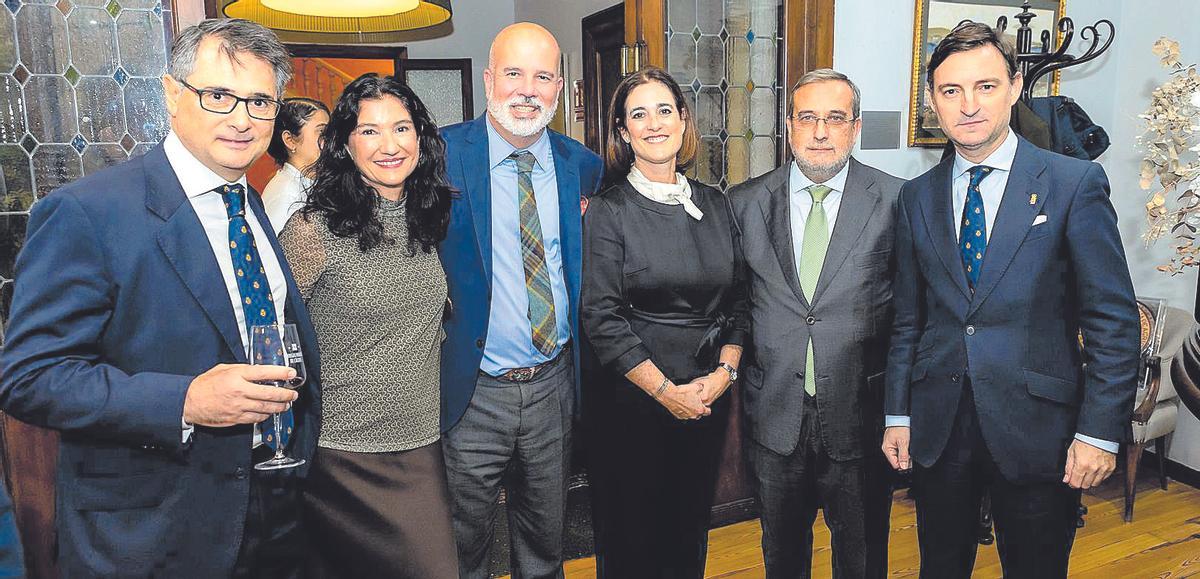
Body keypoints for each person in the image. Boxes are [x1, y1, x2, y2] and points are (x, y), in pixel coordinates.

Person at [0, 18, 321, 577]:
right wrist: (185, 401)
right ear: (173, 94)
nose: (242, 119)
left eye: (260, 102)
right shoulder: (89, 213)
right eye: (219, 95)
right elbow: (30, 377)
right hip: (151, 533)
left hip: (274, 508)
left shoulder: (248, 204)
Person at [881, 22, 1139, 578]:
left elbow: (1112, 322)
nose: (968, 105)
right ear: (932, 101)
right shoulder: (916, 197)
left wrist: (1097, 433)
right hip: (939, 431)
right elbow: (908, 320)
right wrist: (898, 413)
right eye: (951, 91)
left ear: (1016, 87)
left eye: (986, 86)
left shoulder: (1073, 184)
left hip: (1039, 433)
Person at [438, 22, 604, 578]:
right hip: (471, 390)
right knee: (465, 544)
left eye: (542, 76)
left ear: (560, 88)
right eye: (513, 74)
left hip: (553, 386)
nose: (527, 89)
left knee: (545, 542)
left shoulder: (581, 164)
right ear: (489, 80)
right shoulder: (439, 156)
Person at [726, 69, 903, 579]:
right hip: (775, 416)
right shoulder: (745, 203)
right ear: (788, 126)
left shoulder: (895, 201)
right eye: (807, 118)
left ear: (856, 127)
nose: (820, 132)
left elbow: (911, 316)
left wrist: (901, 415)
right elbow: (736, 304)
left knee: (864, 554)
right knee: (782, 555)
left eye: (834, 118)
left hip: (860, 415)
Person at [280, 73, 458, 578]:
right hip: (341, 453)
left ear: (421, 140)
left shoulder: (428, 216)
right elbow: (274, 334)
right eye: (370, 130)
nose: (389, 145)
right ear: (345, 143)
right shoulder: (313, 228)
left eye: (402, 128)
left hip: (419, 442)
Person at [581, 66, 748, 578]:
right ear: (623, 132)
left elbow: (741, 302)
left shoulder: (717, 203)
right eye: (638, 114)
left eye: (663, 110)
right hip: (633, 404)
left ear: (682, 122)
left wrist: (722, 377)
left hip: (705, 401)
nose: (653, 124)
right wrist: (665, 392)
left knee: (687, 534)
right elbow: (601, 316)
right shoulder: (608, 212)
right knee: (634, 543)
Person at [262, 97, 330, 232]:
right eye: (322, 132)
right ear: (290, 140)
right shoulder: (286, 196)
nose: (331, 141)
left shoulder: (310, 183)